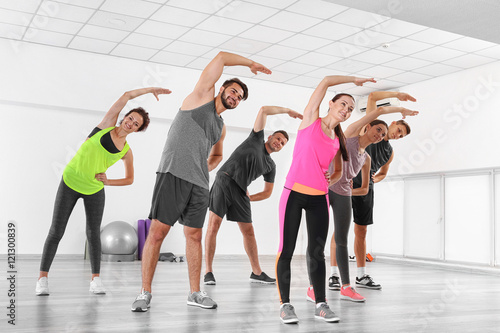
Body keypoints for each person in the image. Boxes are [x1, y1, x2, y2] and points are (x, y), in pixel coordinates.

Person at [131, 51, 271, 312]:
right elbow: (220, 57)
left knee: (194, 236)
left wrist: (202, 167)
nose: (235, 97)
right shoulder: (200, 97)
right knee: (158, 233)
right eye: (233, 91)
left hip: (199, 184)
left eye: (239, 98)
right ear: (222, 89)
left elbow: (217, 155)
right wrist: (249, 63)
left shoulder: (221, 126)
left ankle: (195, 292)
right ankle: (144, 293)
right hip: (172, 174)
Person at [36, 87, 170, 296]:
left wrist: (108, 181)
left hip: (94, 189)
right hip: (70, 182)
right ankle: (42, 279)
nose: (131, 123)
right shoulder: (106, 125)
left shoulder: (126, 151)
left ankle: (95, 280)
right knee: (56, 231)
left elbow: (130, 179)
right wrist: (151, 90)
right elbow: (126, 96)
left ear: (137, 130)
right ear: (124, 116)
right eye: (131, 118)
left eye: (136, 124)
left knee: (93, 234)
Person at [275, 75, 376, 324]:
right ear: (331, 104)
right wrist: (354, 80)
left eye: (351, 109)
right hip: (293, 195)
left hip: (319, 198)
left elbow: (339, 171)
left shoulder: (337, 139)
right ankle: (285, 305)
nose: (346, 110)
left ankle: (321, 304)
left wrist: (326, 181)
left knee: (317, 252)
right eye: (343, 104)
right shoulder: (311, 120)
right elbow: (326, 80)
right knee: (286, 250)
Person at [305, 95, 418, 303]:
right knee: (318, 239)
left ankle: (350, 284)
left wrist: (358, 186)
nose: (381, 135)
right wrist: (400, 105)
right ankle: (320, 283)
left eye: (384, 134)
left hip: (347, 192)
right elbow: (376, 109)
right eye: (379, 130)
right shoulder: (352, 134)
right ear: (369, 128)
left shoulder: (370, 157)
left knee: (346, 236)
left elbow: (369, 182)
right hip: (327, 187)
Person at [204, 106, 302, 286]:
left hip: (241, 191)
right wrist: (288, 111)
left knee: (248, 231)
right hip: (225, 180)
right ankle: (208, 271)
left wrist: (250, 198)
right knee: (213, 225)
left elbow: (267, 192)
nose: (279, 143)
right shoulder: (255, 139)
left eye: (283, 143)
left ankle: (256, 272)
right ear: (270, 136)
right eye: (278, 138)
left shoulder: (270, 165)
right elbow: (264, 110)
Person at [341, 91, 416, 291]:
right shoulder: (371, 129)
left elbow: (383, 173)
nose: (397, 135)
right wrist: (398, 95)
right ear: (392, 124)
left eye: (401, 135)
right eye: (398, 130)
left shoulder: (389, 152)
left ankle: (361, 275)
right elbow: (373, 97)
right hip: (346, 180)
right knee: (341, 228)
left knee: (361, 230)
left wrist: (376, 178)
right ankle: (334, 274)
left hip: (365, 188)